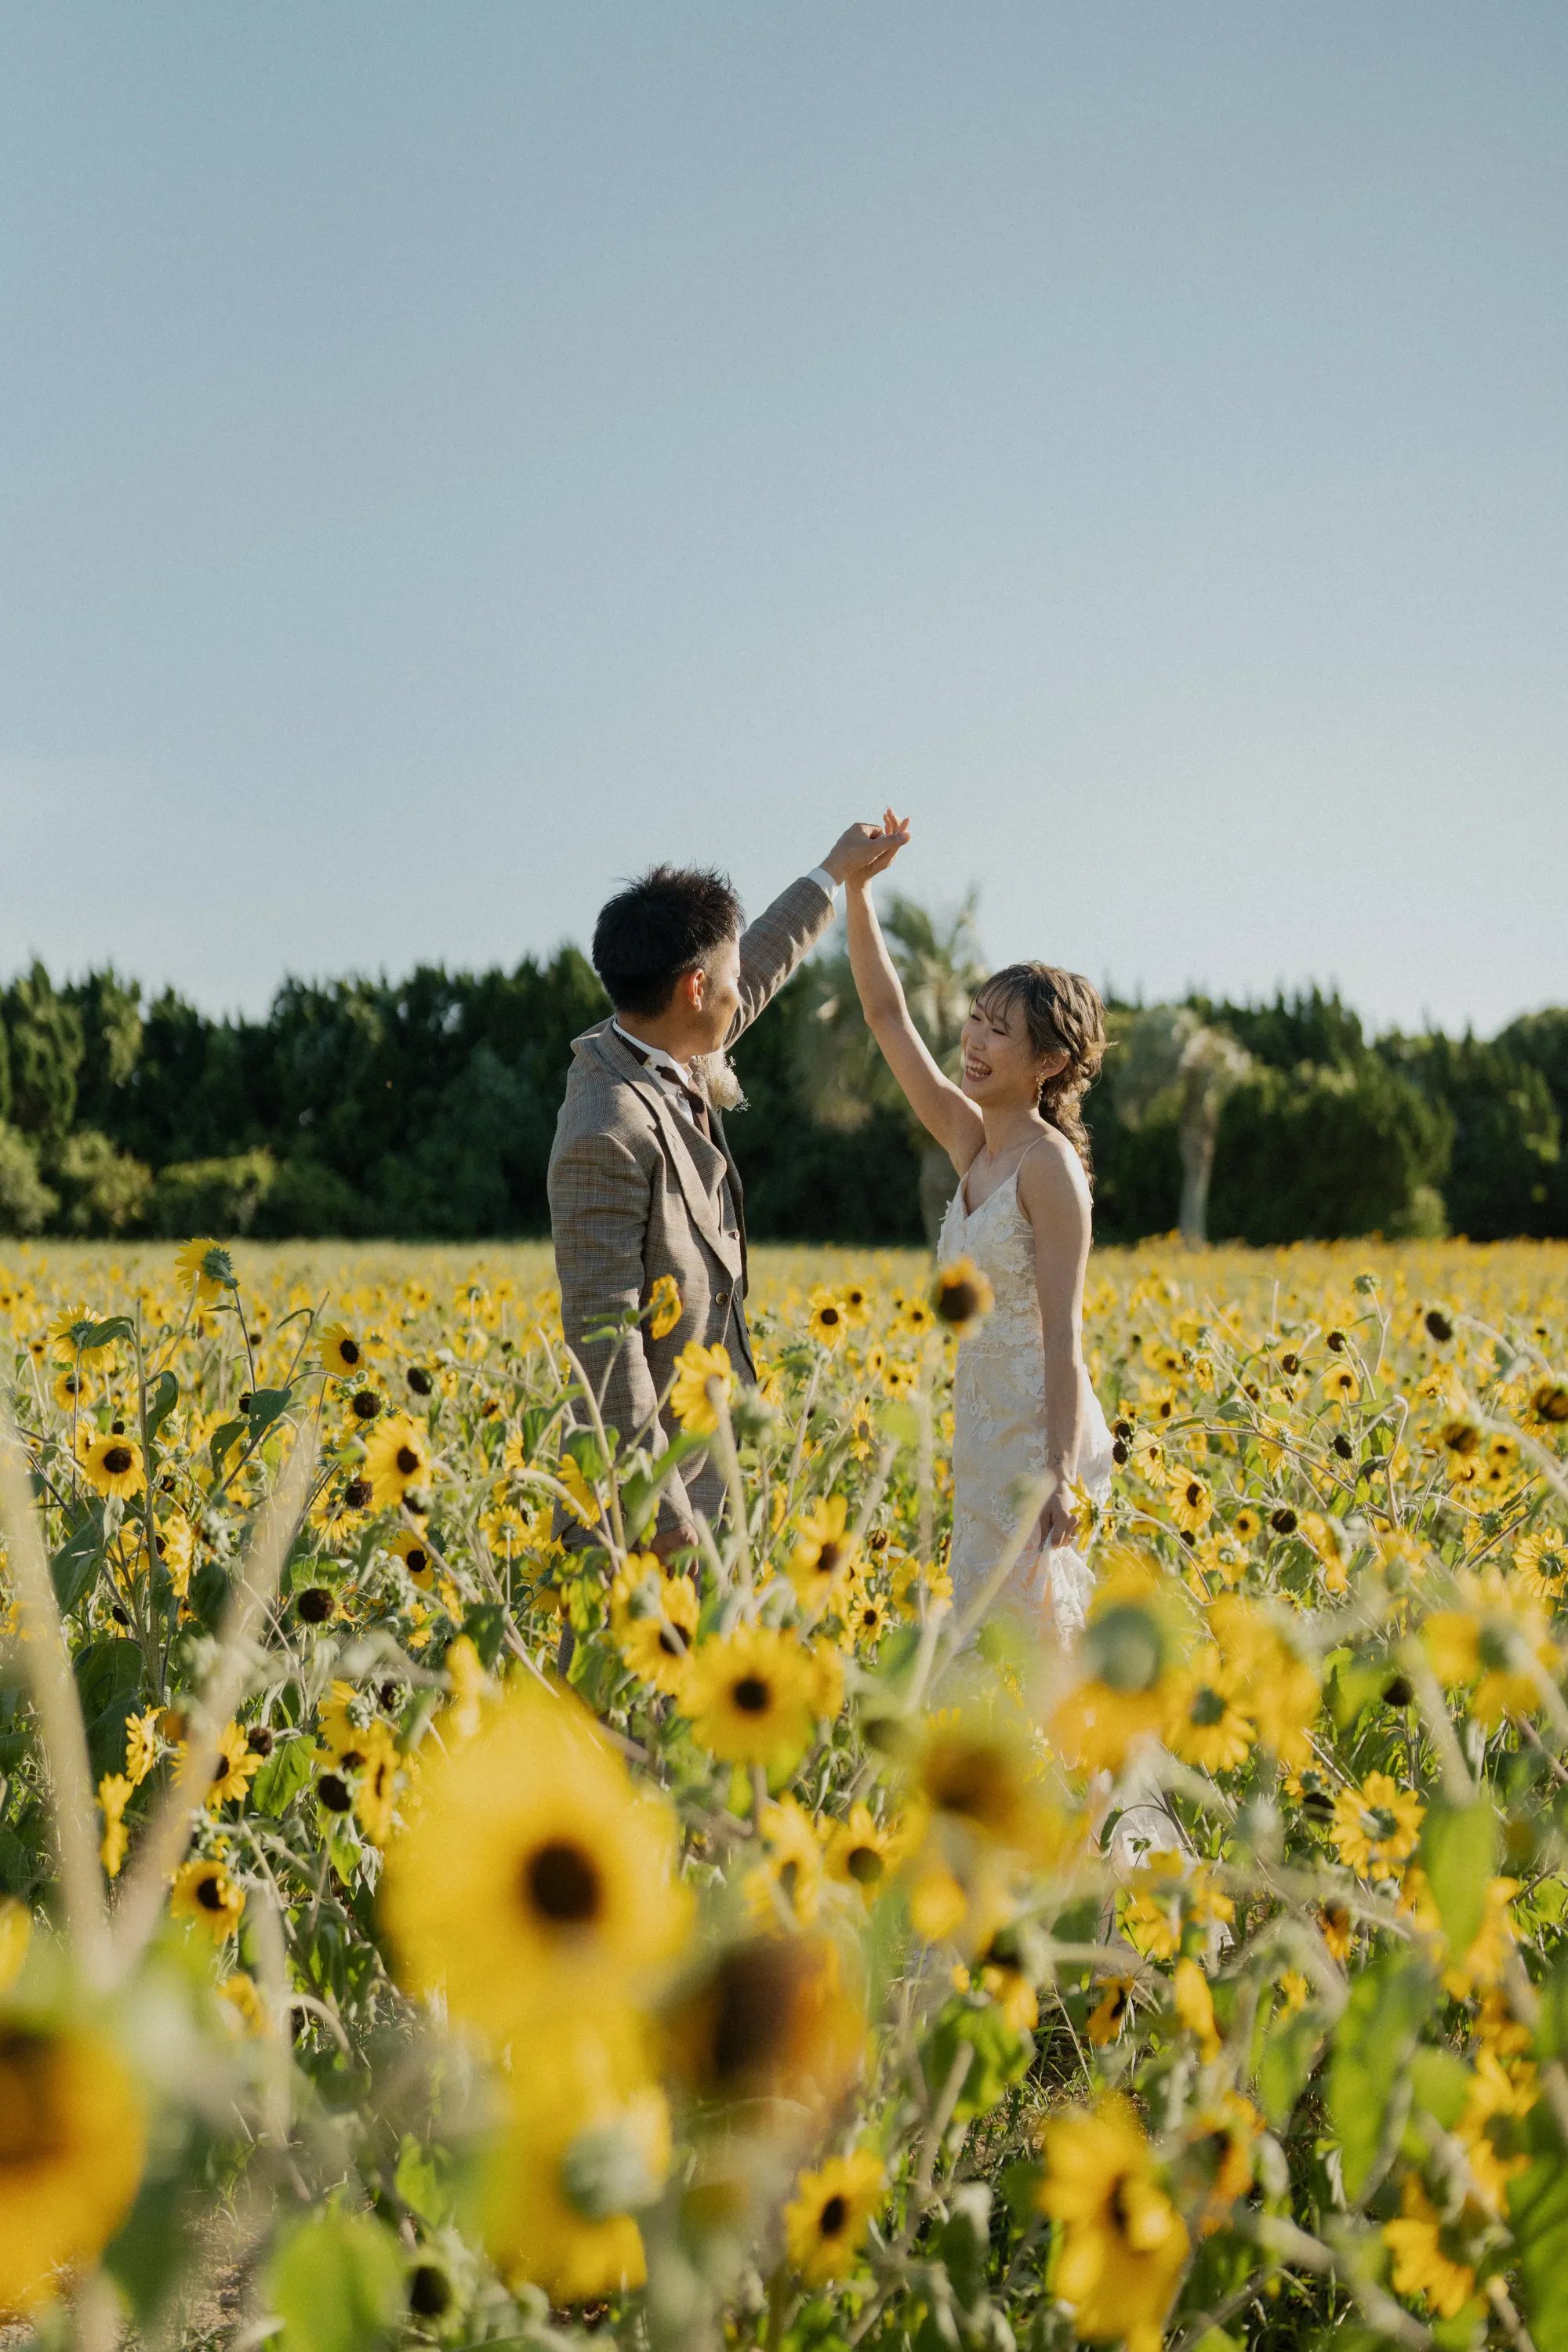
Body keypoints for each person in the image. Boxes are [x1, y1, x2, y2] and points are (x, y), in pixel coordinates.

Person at [550, 822, 908, 1548]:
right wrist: (669, 1518)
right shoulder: (605, 1128)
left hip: (712, 1473)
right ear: (693, 987)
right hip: (643, 1507)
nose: (741, 991)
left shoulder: (665, 1039)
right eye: (728, 979)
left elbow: (762, 964)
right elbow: (607, 1352)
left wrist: (832, 873)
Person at [844, 809, 1114, 1641]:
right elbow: (888, 1020)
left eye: (1000, 1031)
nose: (973, 1040)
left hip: (1040, 1451)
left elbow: (1063, 1336)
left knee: (1043, 1669)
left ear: (1050, 1064)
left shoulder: (1048, 1169)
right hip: (979, 1443)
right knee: (986, 1661)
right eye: (974, 1019)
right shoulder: (971, 1145)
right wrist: (854, 891)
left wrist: (1061, 1476)